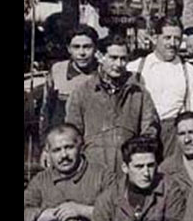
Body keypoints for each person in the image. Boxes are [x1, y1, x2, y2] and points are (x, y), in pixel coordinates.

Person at [65, 35, 159, 175]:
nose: (119, 64)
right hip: (92, 170)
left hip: (127, 172)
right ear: (100, 56)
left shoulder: (139, 93)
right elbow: (72, 133)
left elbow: (150, 129)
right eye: (113, 58)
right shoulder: (82, 92)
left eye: (123, 59)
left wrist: (136, 157)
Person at [126, 17, 193, 161]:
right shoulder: (135, 67)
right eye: (167, 38)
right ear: (155, 38)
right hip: (141, 134)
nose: (172, 43)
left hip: (173, 137)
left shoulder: (188, 70)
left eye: (177, 39)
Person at [39, 24, 99, 134]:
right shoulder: (58, 70)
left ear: (95, 48)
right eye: (76, 47)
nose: (82, 53)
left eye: (87, 47)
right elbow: (46, 108)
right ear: (69, 49)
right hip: (62, 140)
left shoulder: (102, 74)